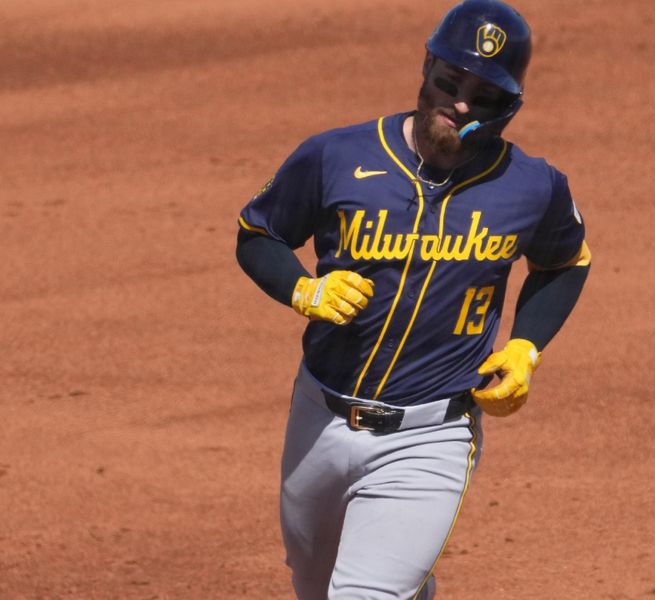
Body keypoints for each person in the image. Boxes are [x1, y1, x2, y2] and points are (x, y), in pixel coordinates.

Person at [236, 0, 591, 597]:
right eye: (450, 82)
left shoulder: (533, 187)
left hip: (432, 435)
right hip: (318, 417)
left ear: (509, 108)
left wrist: (527, 345)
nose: (459, 105)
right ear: (426, 67)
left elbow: (566, 263)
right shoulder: (338, 155)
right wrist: (302, 288)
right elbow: (257, 233)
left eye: (483, 98)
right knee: (314, 586)